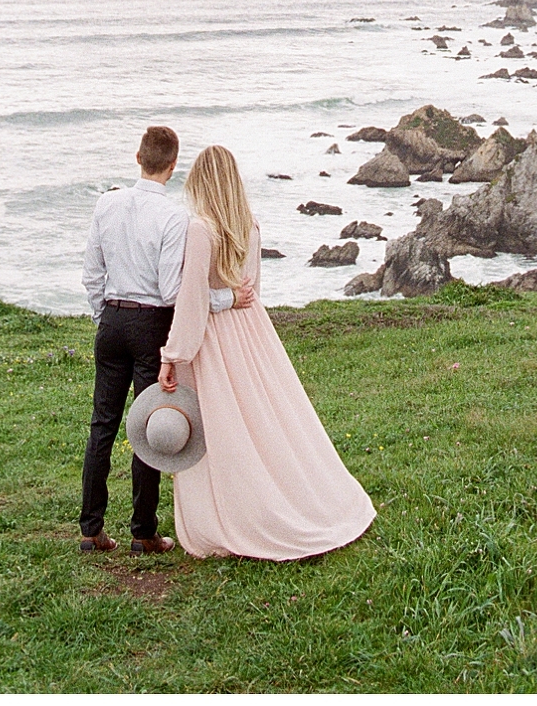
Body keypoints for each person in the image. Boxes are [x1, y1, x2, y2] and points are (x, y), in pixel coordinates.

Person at [159, 144, 376, 560]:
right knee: (263, 420)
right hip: (252, 333)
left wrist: (173, 354)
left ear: (202, 183)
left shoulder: (201, 230)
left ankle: (233, 516)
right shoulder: (250, 227)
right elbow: (252, 292)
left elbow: (191, 301)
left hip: (215, 339)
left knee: (222, 430)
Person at [79, 125, 253, 555]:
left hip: (112, 321)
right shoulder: (176, 217)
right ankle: (143, 533)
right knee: (150, 425)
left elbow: (91, 274)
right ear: (173, 167)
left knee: (103, 424)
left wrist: (107, 317)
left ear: (138, 157)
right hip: (150, 326)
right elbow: (175, 292)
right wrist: (227, 298)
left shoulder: (107, 203)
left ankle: (90, 529)